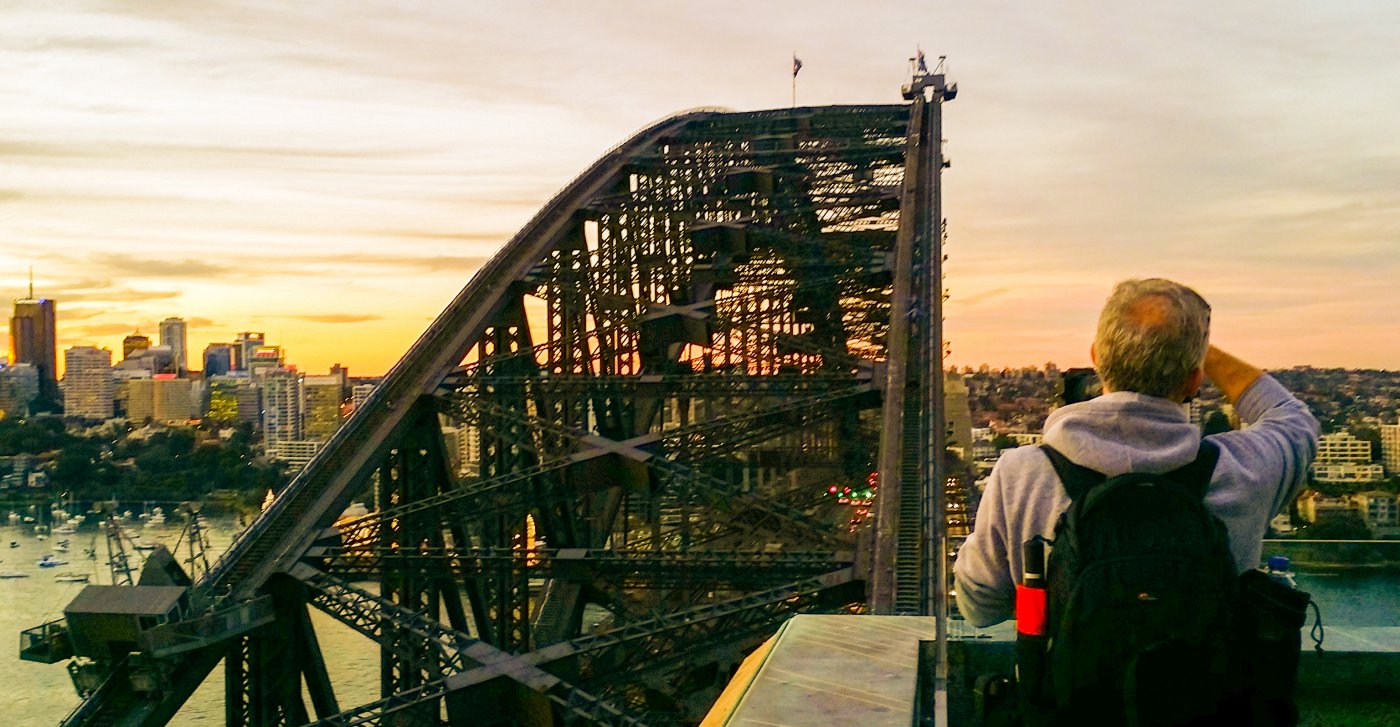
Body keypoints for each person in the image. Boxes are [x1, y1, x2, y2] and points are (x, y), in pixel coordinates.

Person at [954, 278, 1318, 628]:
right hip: (1210, 692)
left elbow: (979, 605)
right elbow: (1291, 416)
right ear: (1195, 379)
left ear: (1097, 357)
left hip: (1068, 691)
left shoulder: (1021, 474)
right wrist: (1187, 345)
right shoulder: (1244, 468)